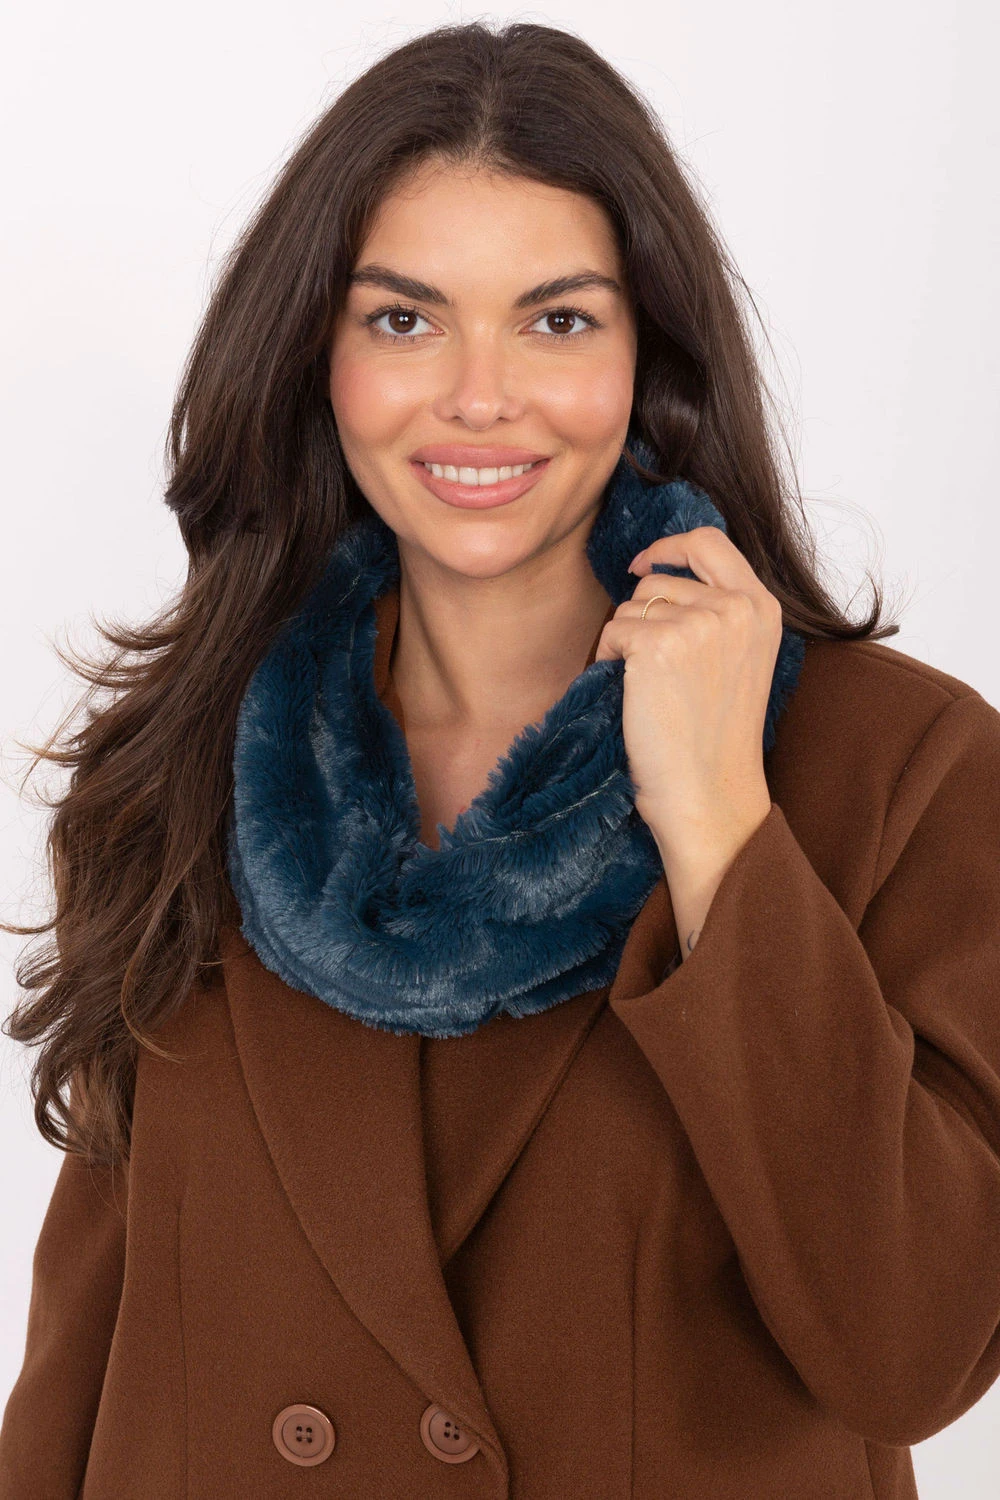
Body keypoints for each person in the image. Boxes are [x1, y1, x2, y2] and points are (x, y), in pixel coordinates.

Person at [2, 19, 999, 1499]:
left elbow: (912, 1348)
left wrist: (721, 823)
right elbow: (84, 1352)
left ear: (651, 354)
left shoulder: (898, 768)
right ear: (318, 355)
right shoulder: (197, 759)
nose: (480, 395)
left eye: (558, 321)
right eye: (405, 320)